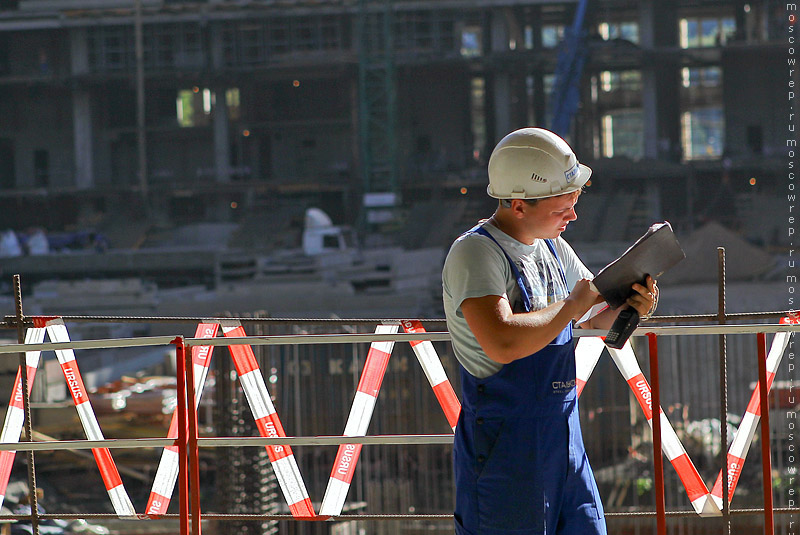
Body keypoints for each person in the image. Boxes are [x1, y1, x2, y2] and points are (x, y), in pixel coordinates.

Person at [442, 127, 658, 535]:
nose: (573, 216)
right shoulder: (475, 252)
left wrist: (632, 307)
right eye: (563, 208)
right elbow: (502, 341)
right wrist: (572, 305)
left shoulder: (555, 249)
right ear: (519, 205)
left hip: (564, 438)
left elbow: (591, 322)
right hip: (506, 449)